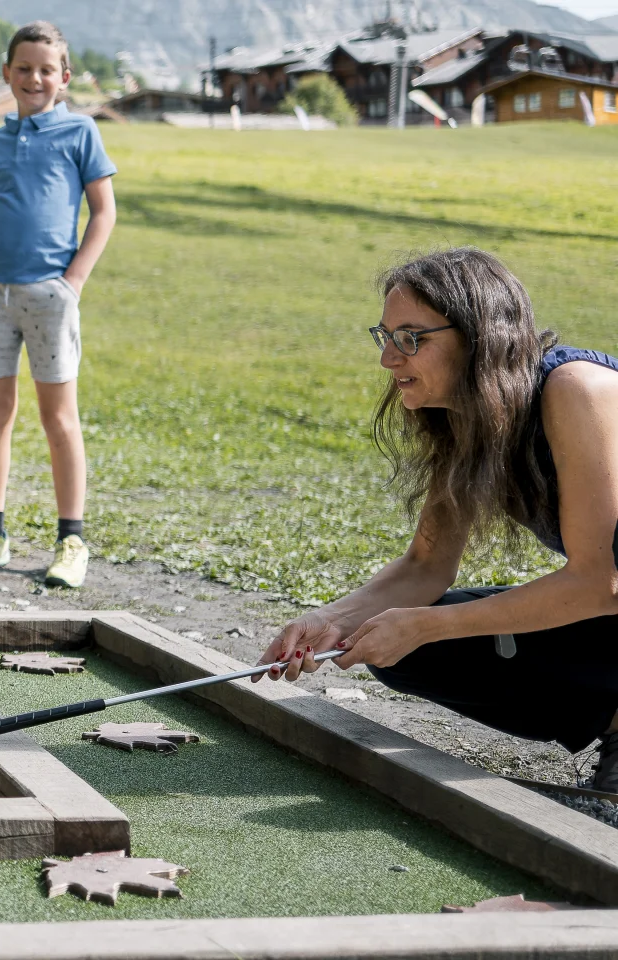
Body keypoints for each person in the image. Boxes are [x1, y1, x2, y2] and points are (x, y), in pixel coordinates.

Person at [258, 248, 618, 791]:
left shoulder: (576, 391)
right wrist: (333, 621)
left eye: (411, 338)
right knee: (408, 644)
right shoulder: (467, 415)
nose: (388, 360)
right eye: (385, 337)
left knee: (423, 629)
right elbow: (427, 566)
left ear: (478, 337)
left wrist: (425, 624)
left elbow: (598, 586)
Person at [0, 20, 117, 589]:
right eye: (24, 69)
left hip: (51, 295)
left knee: (57, 418)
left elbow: (104, 212)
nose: (35, 78)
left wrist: (73, 282)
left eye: (47, 70)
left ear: (64, 78)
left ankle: (72, 539)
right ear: (7, 74)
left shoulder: (81, 134)